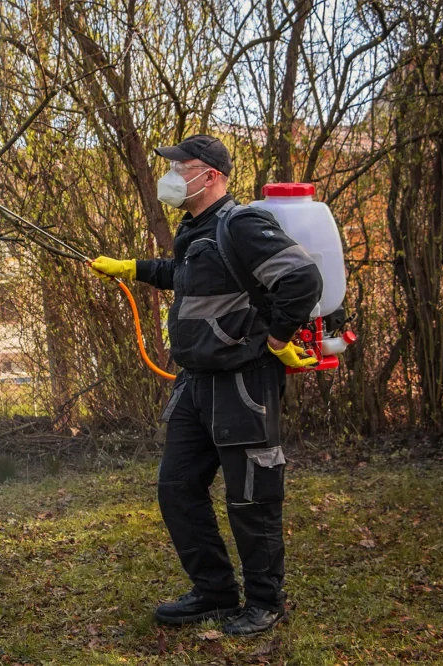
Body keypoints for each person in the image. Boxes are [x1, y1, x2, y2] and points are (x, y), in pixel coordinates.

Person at [90, 135, 322, 636]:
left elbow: (302, 279)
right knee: (176, 488)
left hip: (243, 381)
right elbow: (184, 275)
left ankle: (265, 601)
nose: (171, 177)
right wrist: (132, 268)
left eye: (182, 168)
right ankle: (214, 592)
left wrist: (279, 340)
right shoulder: (197, 231)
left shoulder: (243, 223)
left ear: (211, 175)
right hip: (195, 384)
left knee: (251, 495)